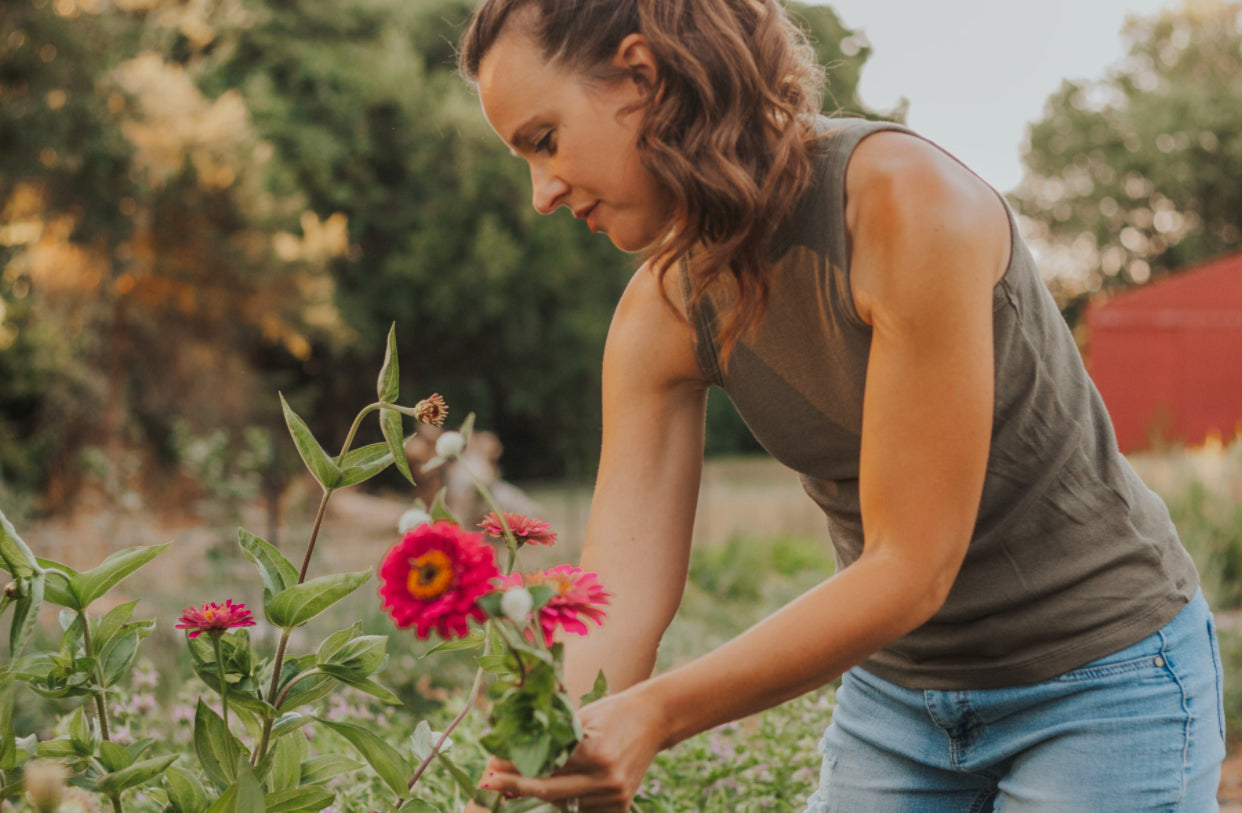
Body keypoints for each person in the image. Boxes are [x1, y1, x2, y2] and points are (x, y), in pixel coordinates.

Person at [454, 1, 1226, 811]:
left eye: (545, 140)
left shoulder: (905, 204)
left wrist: (655, 713)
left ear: (642, 77)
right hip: (900, 699)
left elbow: (909, 565)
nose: (540, 193)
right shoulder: (663, 312)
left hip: (1101, 680)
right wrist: (540, 747)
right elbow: (616, 597)